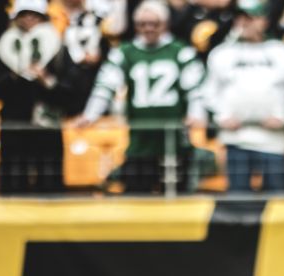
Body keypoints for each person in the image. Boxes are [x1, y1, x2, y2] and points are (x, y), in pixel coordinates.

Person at [75, 0, 207, 194]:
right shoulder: (124, 52)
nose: (148, 29)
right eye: (143, 24)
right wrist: (90, 114)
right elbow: (105, 87)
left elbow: (196, 89)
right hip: (140, 139)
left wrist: (196, 114)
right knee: (136, 193)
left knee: (179, 195)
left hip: (175, 138)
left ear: (165, 24)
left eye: (154, 24)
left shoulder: (181, 51)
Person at [203, 0, 284, 193]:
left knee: (276, 200)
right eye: (240, 18)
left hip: (274, 141)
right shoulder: (222, 53)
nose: (244, 22)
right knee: (238, 200)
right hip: (235, 139)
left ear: (264, 21)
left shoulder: (282, 52)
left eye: (250, 18)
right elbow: (208, 91)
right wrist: (221, 116)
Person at [0, 0, 81, 194]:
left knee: (49, 176)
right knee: (13, 176)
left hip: (47, 123)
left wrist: (47, 80)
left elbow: (71, 88)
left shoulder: (58, 48)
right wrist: (14, 76)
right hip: (14, 122)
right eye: (24, 15)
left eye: (34, 15)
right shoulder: (4, 47)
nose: (29, 19)